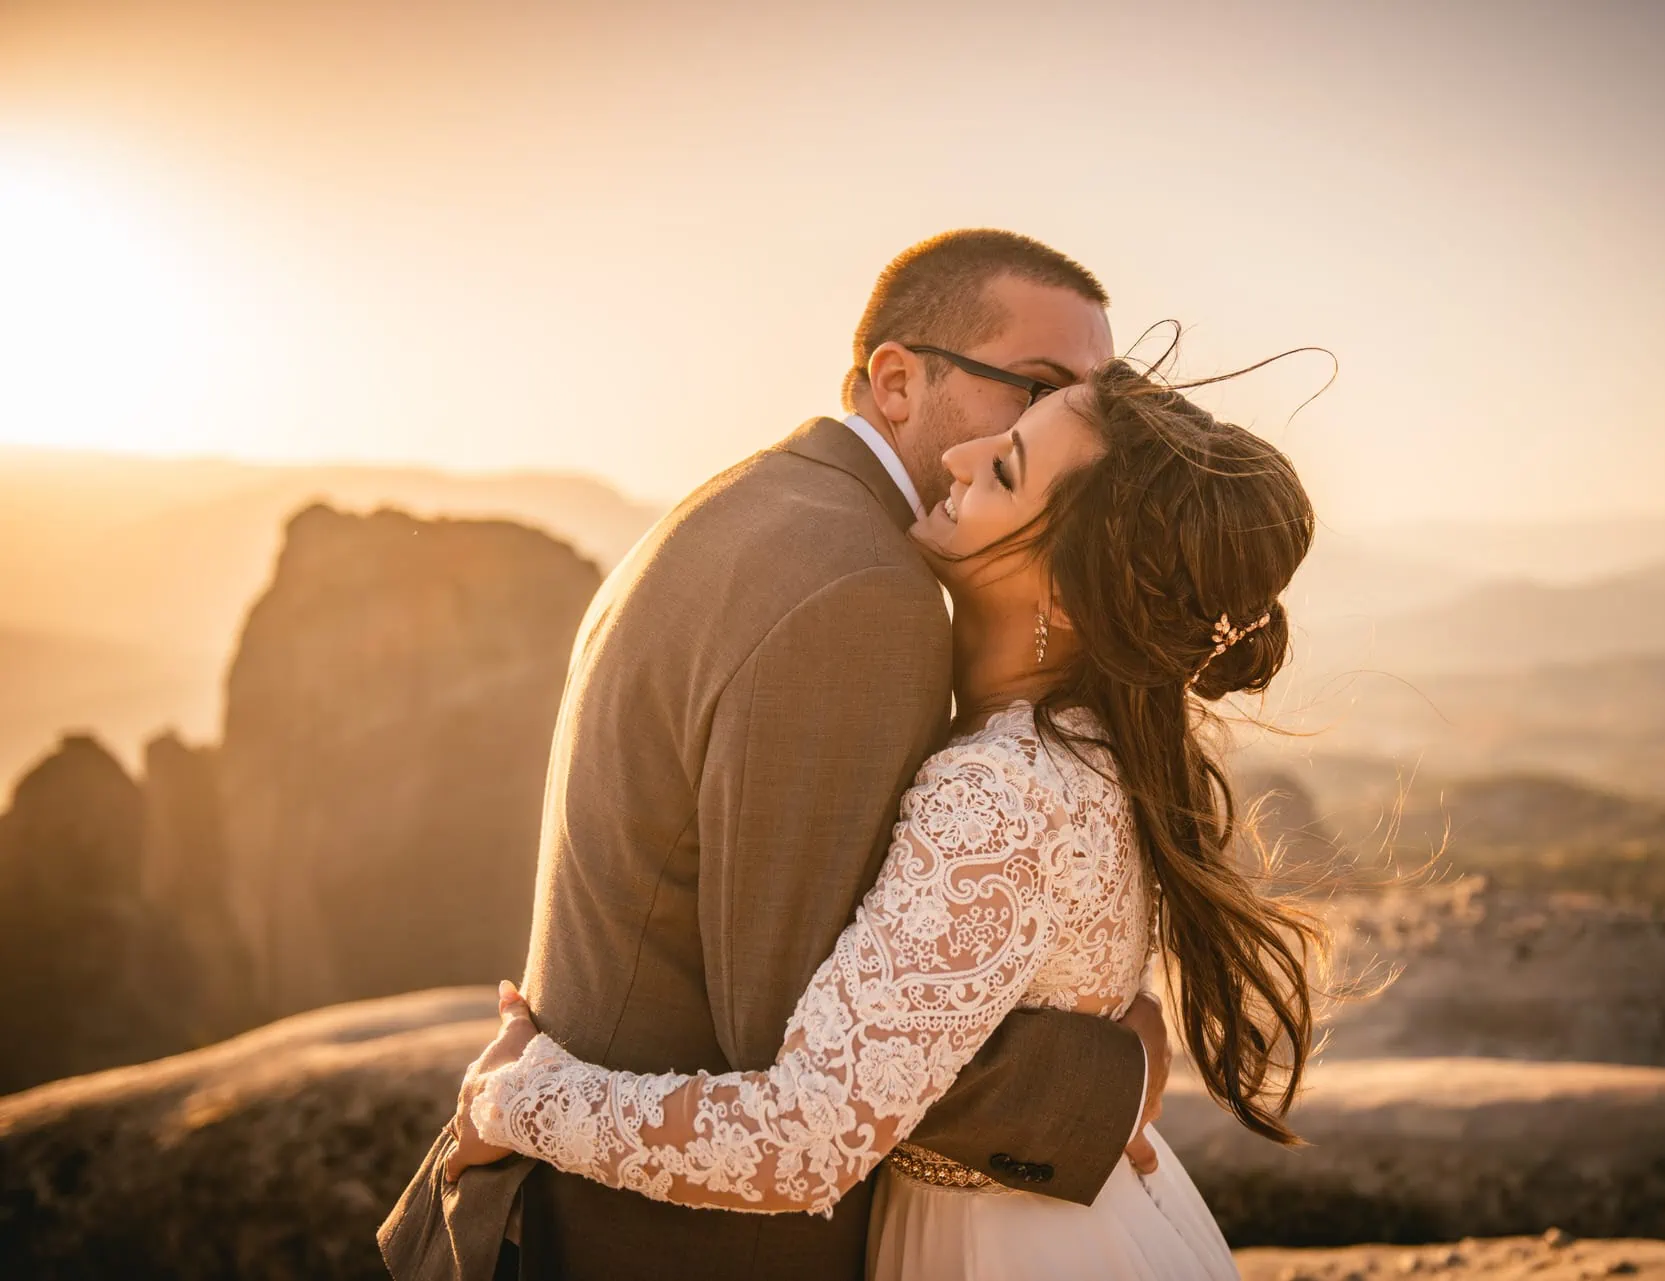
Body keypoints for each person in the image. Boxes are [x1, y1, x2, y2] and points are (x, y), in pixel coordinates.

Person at [380, 230, 1175, 1281]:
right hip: (658, 1248)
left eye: (1090, 401)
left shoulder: (773, 506)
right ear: (896, 382)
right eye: (1035, 388)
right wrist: (1103, 1071)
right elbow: (803, 1047)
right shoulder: (861, 591)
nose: (1070, 426)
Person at [443, 355, 1323, 1281]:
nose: (963, 457)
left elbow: (806, 1137)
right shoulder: (1100, 744)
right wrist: (1125, 1068)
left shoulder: (995, 793)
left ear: (1062, 594)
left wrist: (518, 1096)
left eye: (1009, 467)